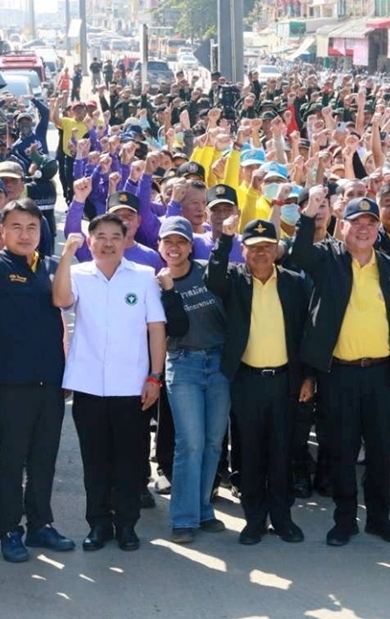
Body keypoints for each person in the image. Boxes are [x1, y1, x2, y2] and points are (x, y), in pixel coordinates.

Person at [290, 189, 390, 547]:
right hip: (339, 374)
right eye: (356, 222)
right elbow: (298, 254)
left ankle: (379, 519)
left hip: (381, 375)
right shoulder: (328, 259)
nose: (363, 229)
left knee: (379, 451)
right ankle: (344, 520)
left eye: (370, 223)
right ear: (341, 225)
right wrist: (310, 213)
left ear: (378, 229)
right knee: (341, 450)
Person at [0, 190, 74, 562]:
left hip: (49, 381)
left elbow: (61, 311)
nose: (25, 234)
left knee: (44, 459)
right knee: (10, 461)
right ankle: (10, 530)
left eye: (32, 227)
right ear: (4, 231)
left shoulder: (48, 265)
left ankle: (41, 525)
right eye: (17, 227)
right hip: (10, 383)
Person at [53, 215, 164, 552]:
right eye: (100, 236)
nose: (107, 243)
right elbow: (60, 301)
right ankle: (98, 524)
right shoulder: (78, 275)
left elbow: (156, 328)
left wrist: (154, 377)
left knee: (130, 460)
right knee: (95, 460)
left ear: (125, 239)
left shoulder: (143, 277)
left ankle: (127, 524)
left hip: (132, 385)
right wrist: (66, 256)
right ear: (90, 241)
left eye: (115, 236)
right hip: (89, 385)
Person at [205, 217, 312, 545]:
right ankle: (254, 519)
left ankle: (282, 518)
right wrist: (223, 238)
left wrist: (308, 376)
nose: (261, 254)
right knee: (249, 452)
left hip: (284, 381)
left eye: (267, 247)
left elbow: (306, 333)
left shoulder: (294, 283)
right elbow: (212, 278)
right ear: (243, 250)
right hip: (247, 381)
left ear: (278, 249)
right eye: (253, 248)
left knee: (282, 452)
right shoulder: (234, 280)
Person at [155, 215, 230, 543]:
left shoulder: (206, 271)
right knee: (191, 442)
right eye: (168, 242)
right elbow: (177, 328)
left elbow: (223, 261)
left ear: (190, 245)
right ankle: (183, 517)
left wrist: (226, 236)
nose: (174, 248)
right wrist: (170, 291)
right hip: (183, 363)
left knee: (214, 440)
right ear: (159, 245)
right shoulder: (155, 284)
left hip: (218, 364)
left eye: (181, 241)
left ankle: (201, 508)